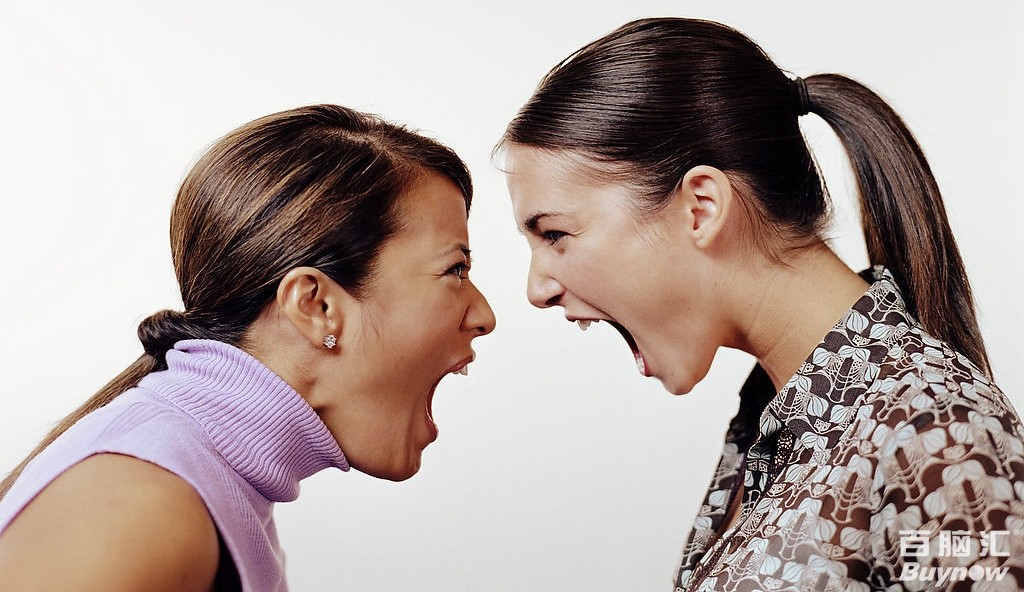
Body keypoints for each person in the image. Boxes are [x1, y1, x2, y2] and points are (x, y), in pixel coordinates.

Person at [498, 17, 1023, 591]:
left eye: (555, 234)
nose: (537, 289)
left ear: (700, 208)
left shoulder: (937, 432)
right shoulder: (774, 425)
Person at [0, 104, 495, 591]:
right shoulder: (137, 509)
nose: (484, 316)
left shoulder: (194, 484)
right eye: (455, 270)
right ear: (316, 305)